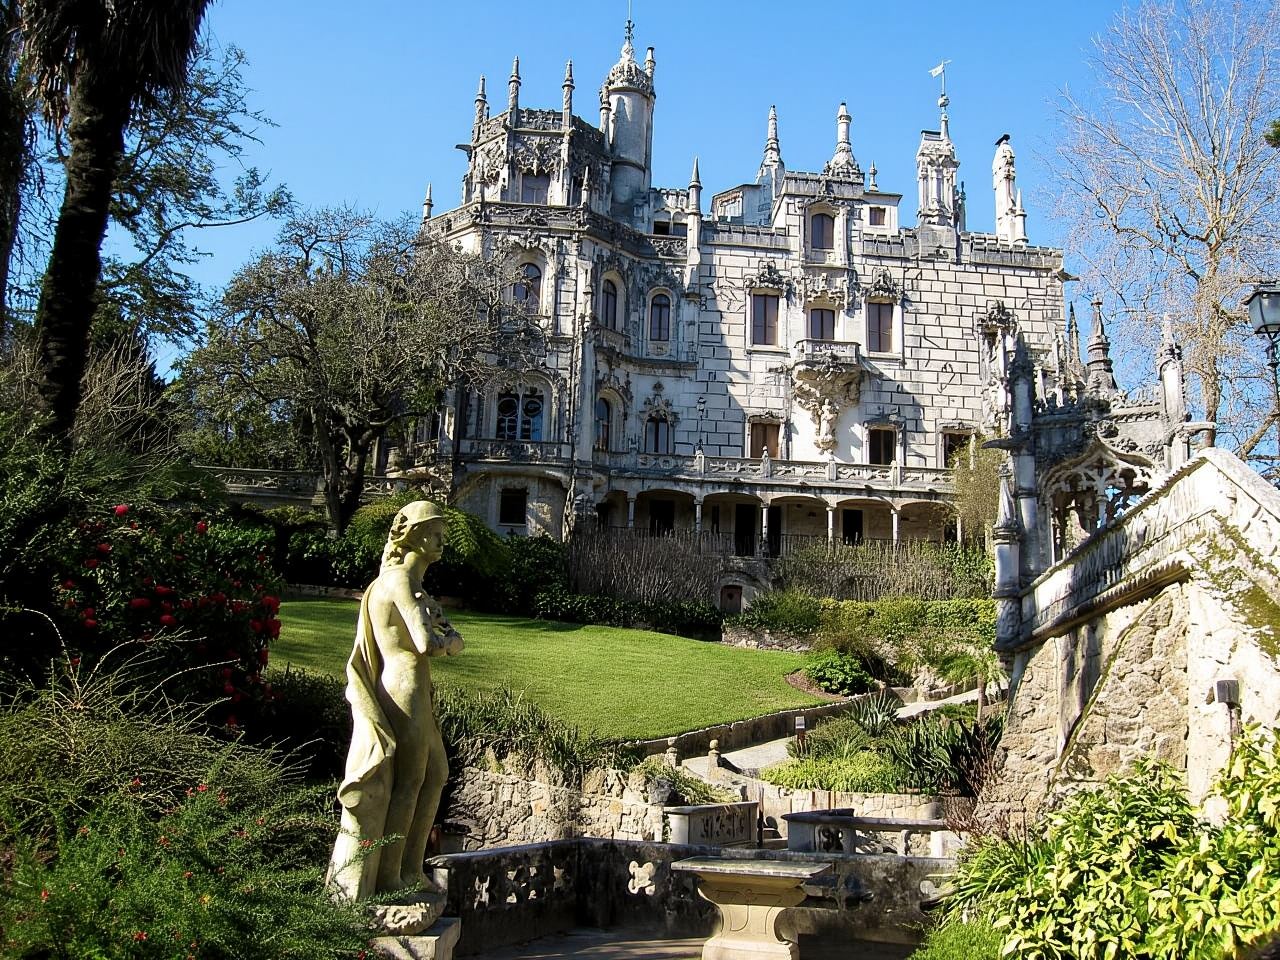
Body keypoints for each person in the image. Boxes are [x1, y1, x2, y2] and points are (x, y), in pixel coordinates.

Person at [327, 501, 464, 902]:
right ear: (414, 536)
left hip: (415, 685)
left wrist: (443, 633)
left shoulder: (410, 584)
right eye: (434, 533)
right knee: (411, 779)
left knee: (435, 773)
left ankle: (410, 868)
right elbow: (427, 643)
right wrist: (451, 641)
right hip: (404, 685)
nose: (441, 540)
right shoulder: (401, 581)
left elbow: (434, 635)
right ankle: (390, 877)